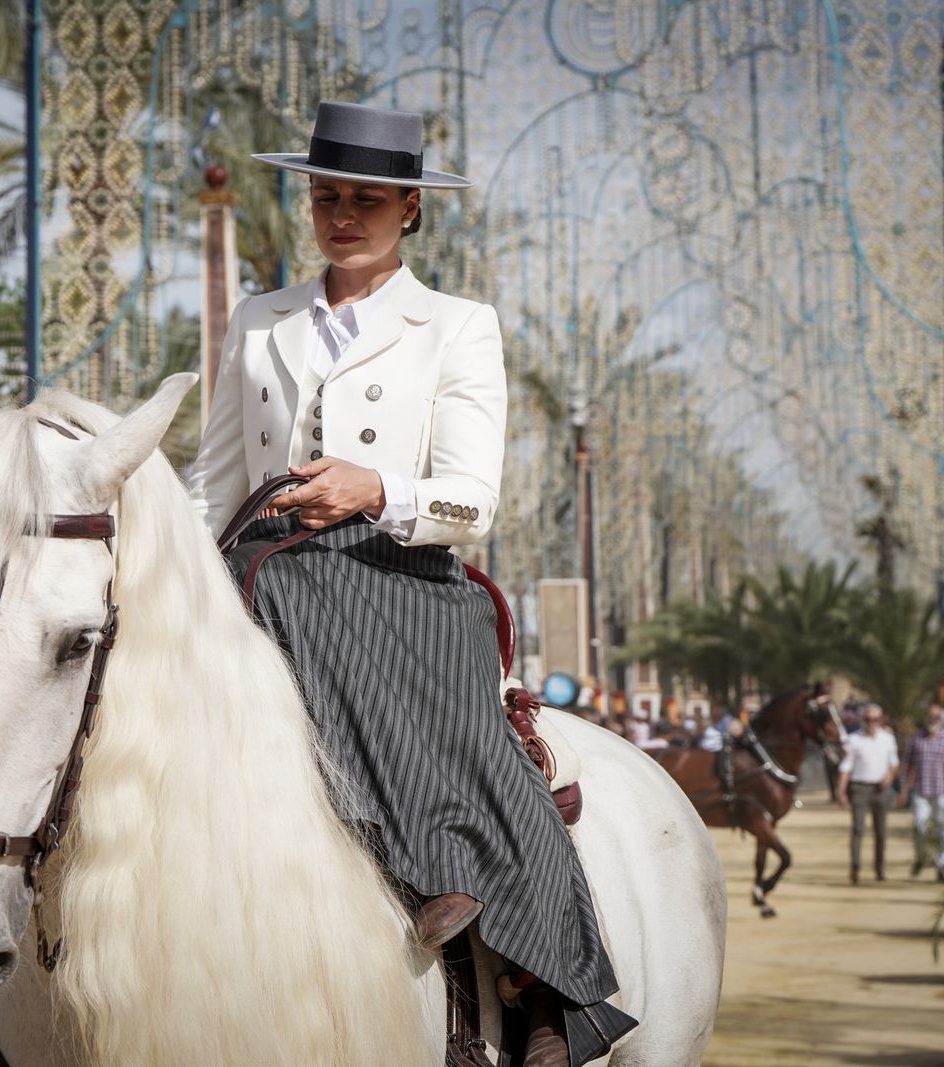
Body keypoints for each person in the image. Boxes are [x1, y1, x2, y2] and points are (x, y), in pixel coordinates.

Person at [184, 100, 635, 1067]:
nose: (343, 216)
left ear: (410, 210)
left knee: (481, 746)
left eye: (368, 200)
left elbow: (476, 499)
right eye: (327, 197)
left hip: (400, 572)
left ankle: (536, 974)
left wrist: (374, 488)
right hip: (261, 566)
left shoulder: (458, 327)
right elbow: (213, 481)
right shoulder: (258, 320)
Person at [835, 702, 899, 884]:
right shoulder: (854, 739)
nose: (871, 723)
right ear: (863, 720)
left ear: (880, 720)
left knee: (881, 831)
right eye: (868, 719)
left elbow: (894, 763)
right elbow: (846, 767)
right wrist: (841, 790)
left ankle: (879, 868)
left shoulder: (888, 739)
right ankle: (855, 867)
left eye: (875, 719)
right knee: (858, 828)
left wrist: (889, 777)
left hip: (881, 789)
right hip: (860, 787)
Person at [900, 702, 944, 880]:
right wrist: (903, 790)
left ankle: (942, 865)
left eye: (936, 717)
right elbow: (907, 765)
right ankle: (921, 857)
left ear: (942, 718)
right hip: (921, 790)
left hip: (941, 791)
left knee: (942, 829)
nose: (933, 720)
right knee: (920, 827)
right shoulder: (916, 737)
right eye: (930, 717)